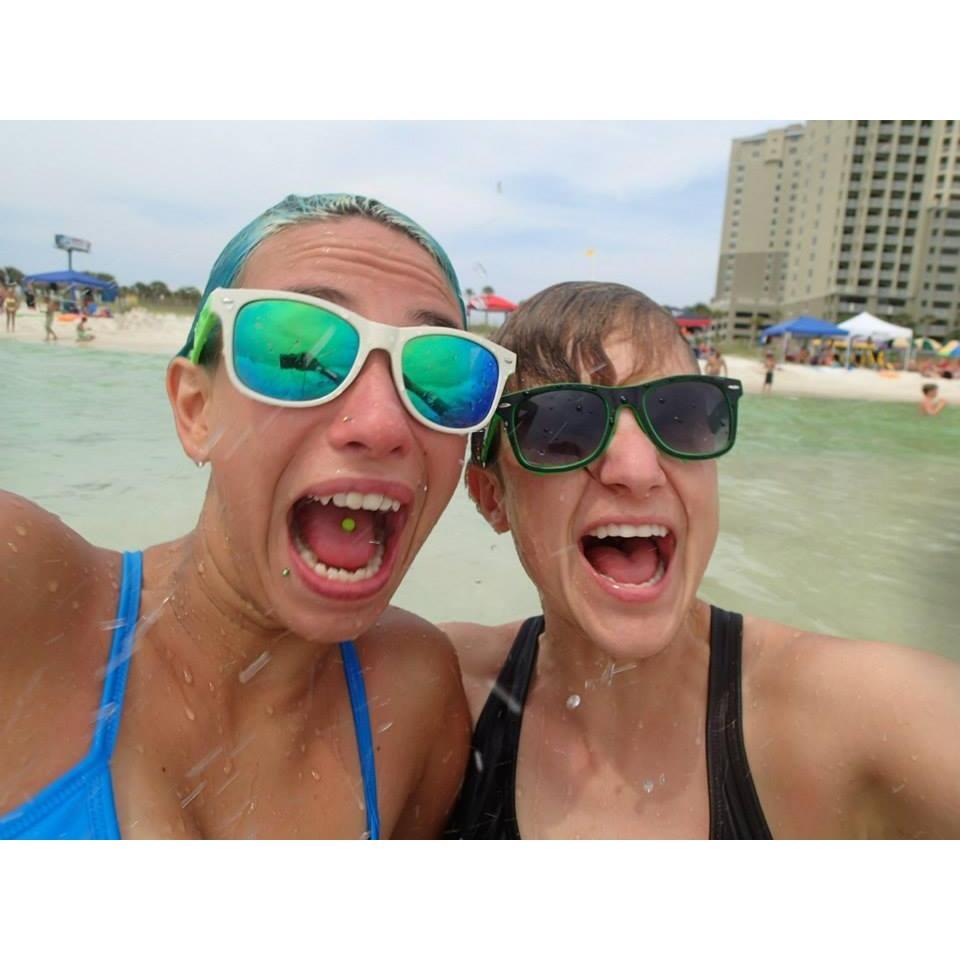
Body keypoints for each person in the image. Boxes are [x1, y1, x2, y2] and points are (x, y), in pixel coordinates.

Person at [0, 193, 516, 840]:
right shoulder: (27, 603)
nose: (384, 425)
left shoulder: (413, 699)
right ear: (195, 410)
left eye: (440, 373)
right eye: (296, 354)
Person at [442, 281, 960, 839]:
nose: (637, 471)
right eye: (562, 427)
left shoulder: (860, 716)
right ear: (492, 496)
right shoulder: (441, 700)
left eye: (681, 415)